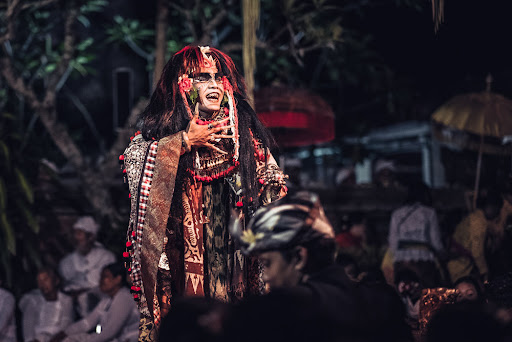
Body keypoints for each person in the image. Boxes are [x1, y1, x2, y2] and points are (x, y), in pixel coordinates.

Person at [121, 45, 287, 336]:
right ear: (180, 85)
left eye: (217, 77)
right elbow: (134, 165)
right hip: (182, 263)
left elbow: (274, 195)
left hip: (235, 261)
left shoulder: (243, 138)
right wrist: (183, 141)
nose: (213, 84)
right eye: (201, 77)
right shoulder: (158, 136)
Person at [51, 263, 139, 342]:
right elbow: (88, 322)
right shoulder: (107, 300)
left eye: (105, 277)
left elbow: (110, 332)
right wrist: (65, 333)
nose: (100, 280)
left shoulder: (124, 298)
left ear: (117, 279)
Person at [388, 181, 444, 288]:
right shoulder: (429, 213)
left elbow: (393, 243)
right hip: (424, 261)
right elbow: (436, 242)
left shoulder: (397, 214)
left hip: (402, 261)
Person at [58, 216, 116, 318]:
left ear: (91, 237)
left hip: (98, 302)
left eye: (79, 234)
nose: (76, 238)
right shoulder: (66, 262)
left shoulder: (107, 257)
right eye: (74, 234)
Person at [447, 190, 503, 283]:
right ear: (490, 207)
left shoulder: (479, 219)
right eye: (497, 209)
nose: (498, 213)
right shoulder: (478, 223)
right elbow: (477, 252)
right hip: (459, 267)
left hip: (463, 265)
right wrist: (484, 272)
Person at [19, 268, 74, 342]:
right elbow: (28, 328)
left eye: (45, 280)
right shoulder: (32, 300)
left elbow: (66, 325)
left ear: (56, 281)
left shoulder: (66, 300)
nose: (42, 284)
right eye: (39, 281)